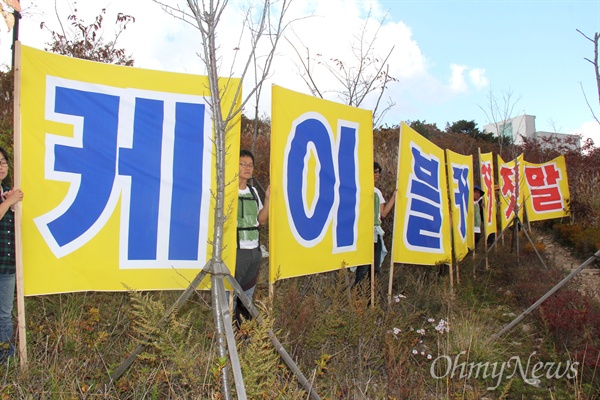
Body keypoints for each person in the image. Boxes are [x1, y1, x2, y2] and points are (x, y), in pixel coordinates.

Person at [234, 149, 269, 326]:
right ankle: (229, 336)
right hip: (236, 252)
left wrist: (268, 199)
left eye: (250, 165)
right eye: (243, 164)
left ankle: (243, 336)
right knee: (231, 296)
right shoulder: (228, 192)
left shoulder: (254, 192)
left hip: (254, 252)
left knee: (246, 297)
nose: (247, 168)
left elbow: (261, 220)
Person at [354, 162, 396, 287]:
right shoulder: (360, 189)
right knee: (362, 270)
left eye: (378, 172)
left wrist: (394, 197)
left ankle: (368, 301)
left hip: (376, 233)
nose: (376, 174)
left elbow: (382, 214)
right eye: (374, 171)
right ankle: (356, 299)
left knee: (375, 269)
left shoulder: (377, 192)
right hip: (364, 233)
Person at [0, 147, 24, 362]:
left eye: (3, 162)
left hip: (7, 265)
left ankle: (5, 358)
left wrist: (15, 206)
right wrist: (8, 203)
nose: (1, 166)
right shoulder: (8, 198)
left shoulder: (8, 192)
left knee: (4, 315)